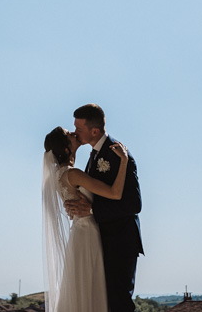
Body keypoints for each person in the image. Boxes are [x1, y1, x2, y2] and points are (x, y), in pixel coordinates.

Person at [42, 126, 128, 312]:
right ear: (67, 149)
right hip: (87, 233)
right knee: (90, 288)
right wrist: (124, 161)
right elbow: (115, 193)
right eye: (70, 134)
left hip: (79, 233)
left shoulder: (57, 176)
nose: (75, 133)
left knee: (82, 289)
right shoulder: (73, 174)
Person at [66, 104, 142, 312]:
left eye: (79, 129)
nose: (75, 132)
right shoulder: (93, 155)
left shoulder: (118, 154)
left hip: (120, 241)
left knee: (119, 303)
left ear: (94, 131)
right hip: (100, 240)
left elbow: (134, 204)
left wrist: (91, 211)